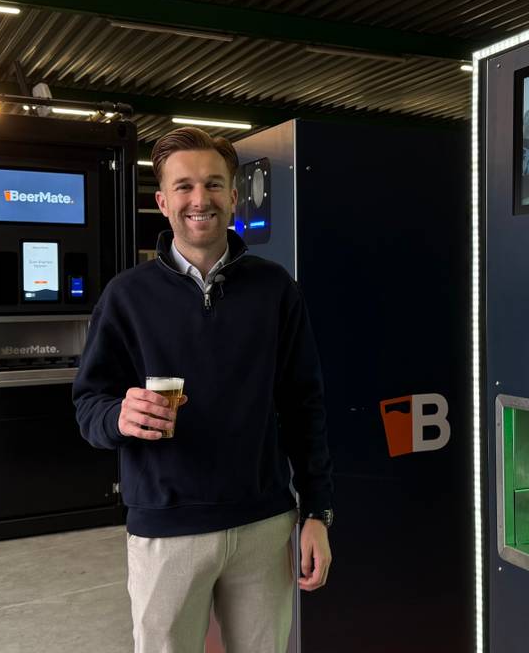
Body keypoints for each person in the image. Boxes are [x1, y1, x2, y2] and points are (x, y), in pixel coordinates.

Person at [72, 127, 334, 653]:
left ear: (234, 196)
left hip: (263, 525)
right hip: (166, 531)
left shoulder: (276, 289)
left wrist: (317, 513)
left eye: (213, 184)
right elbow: (88, 406)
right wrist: (118, 417)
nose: (200, 199)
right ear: (162, 202)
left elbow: (304, 406)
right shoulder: (127, 297)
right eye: (184, 186)